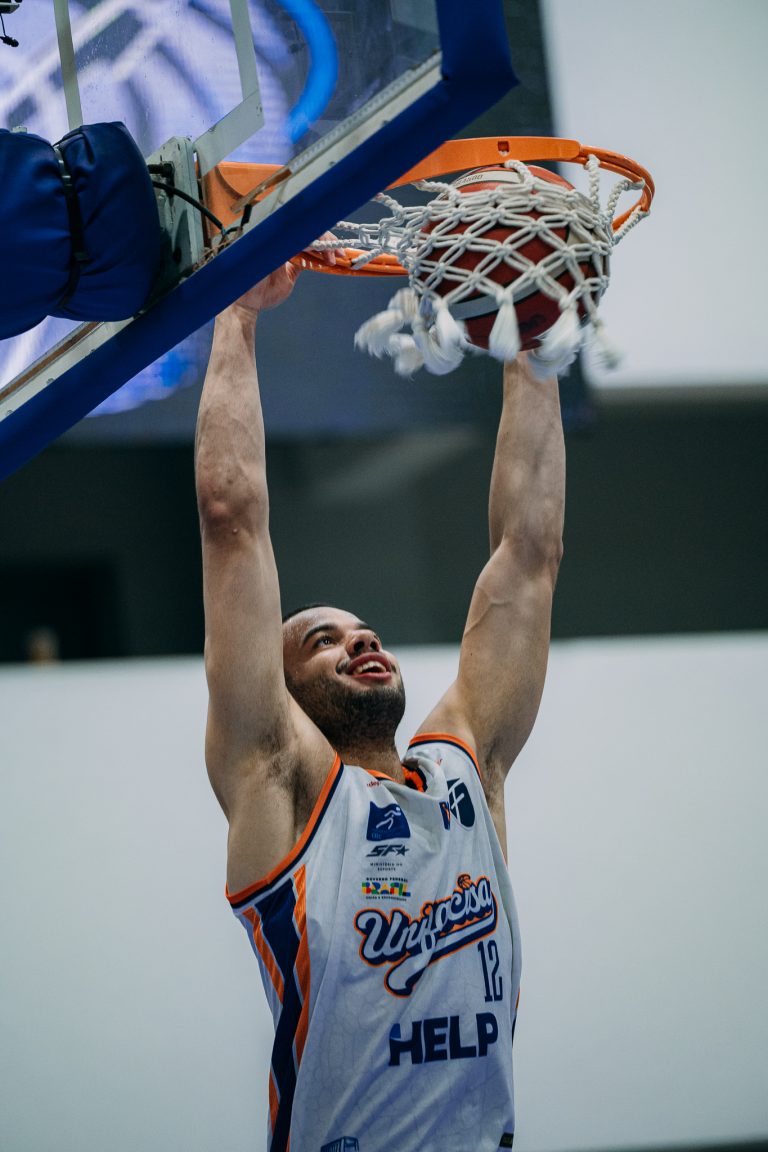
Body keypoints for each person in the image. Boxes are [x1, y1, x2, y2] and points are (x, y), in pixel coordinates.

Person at [195, 259, 565, 1152]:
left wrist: (534, 342)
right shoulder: (281, 781)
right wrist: (236, 315)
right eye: (323, 640)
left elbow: (528, 553)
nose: (361, 642)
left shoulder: (464, 768)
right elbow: (231, 519)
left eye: (365, 632)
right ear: (280, 694)